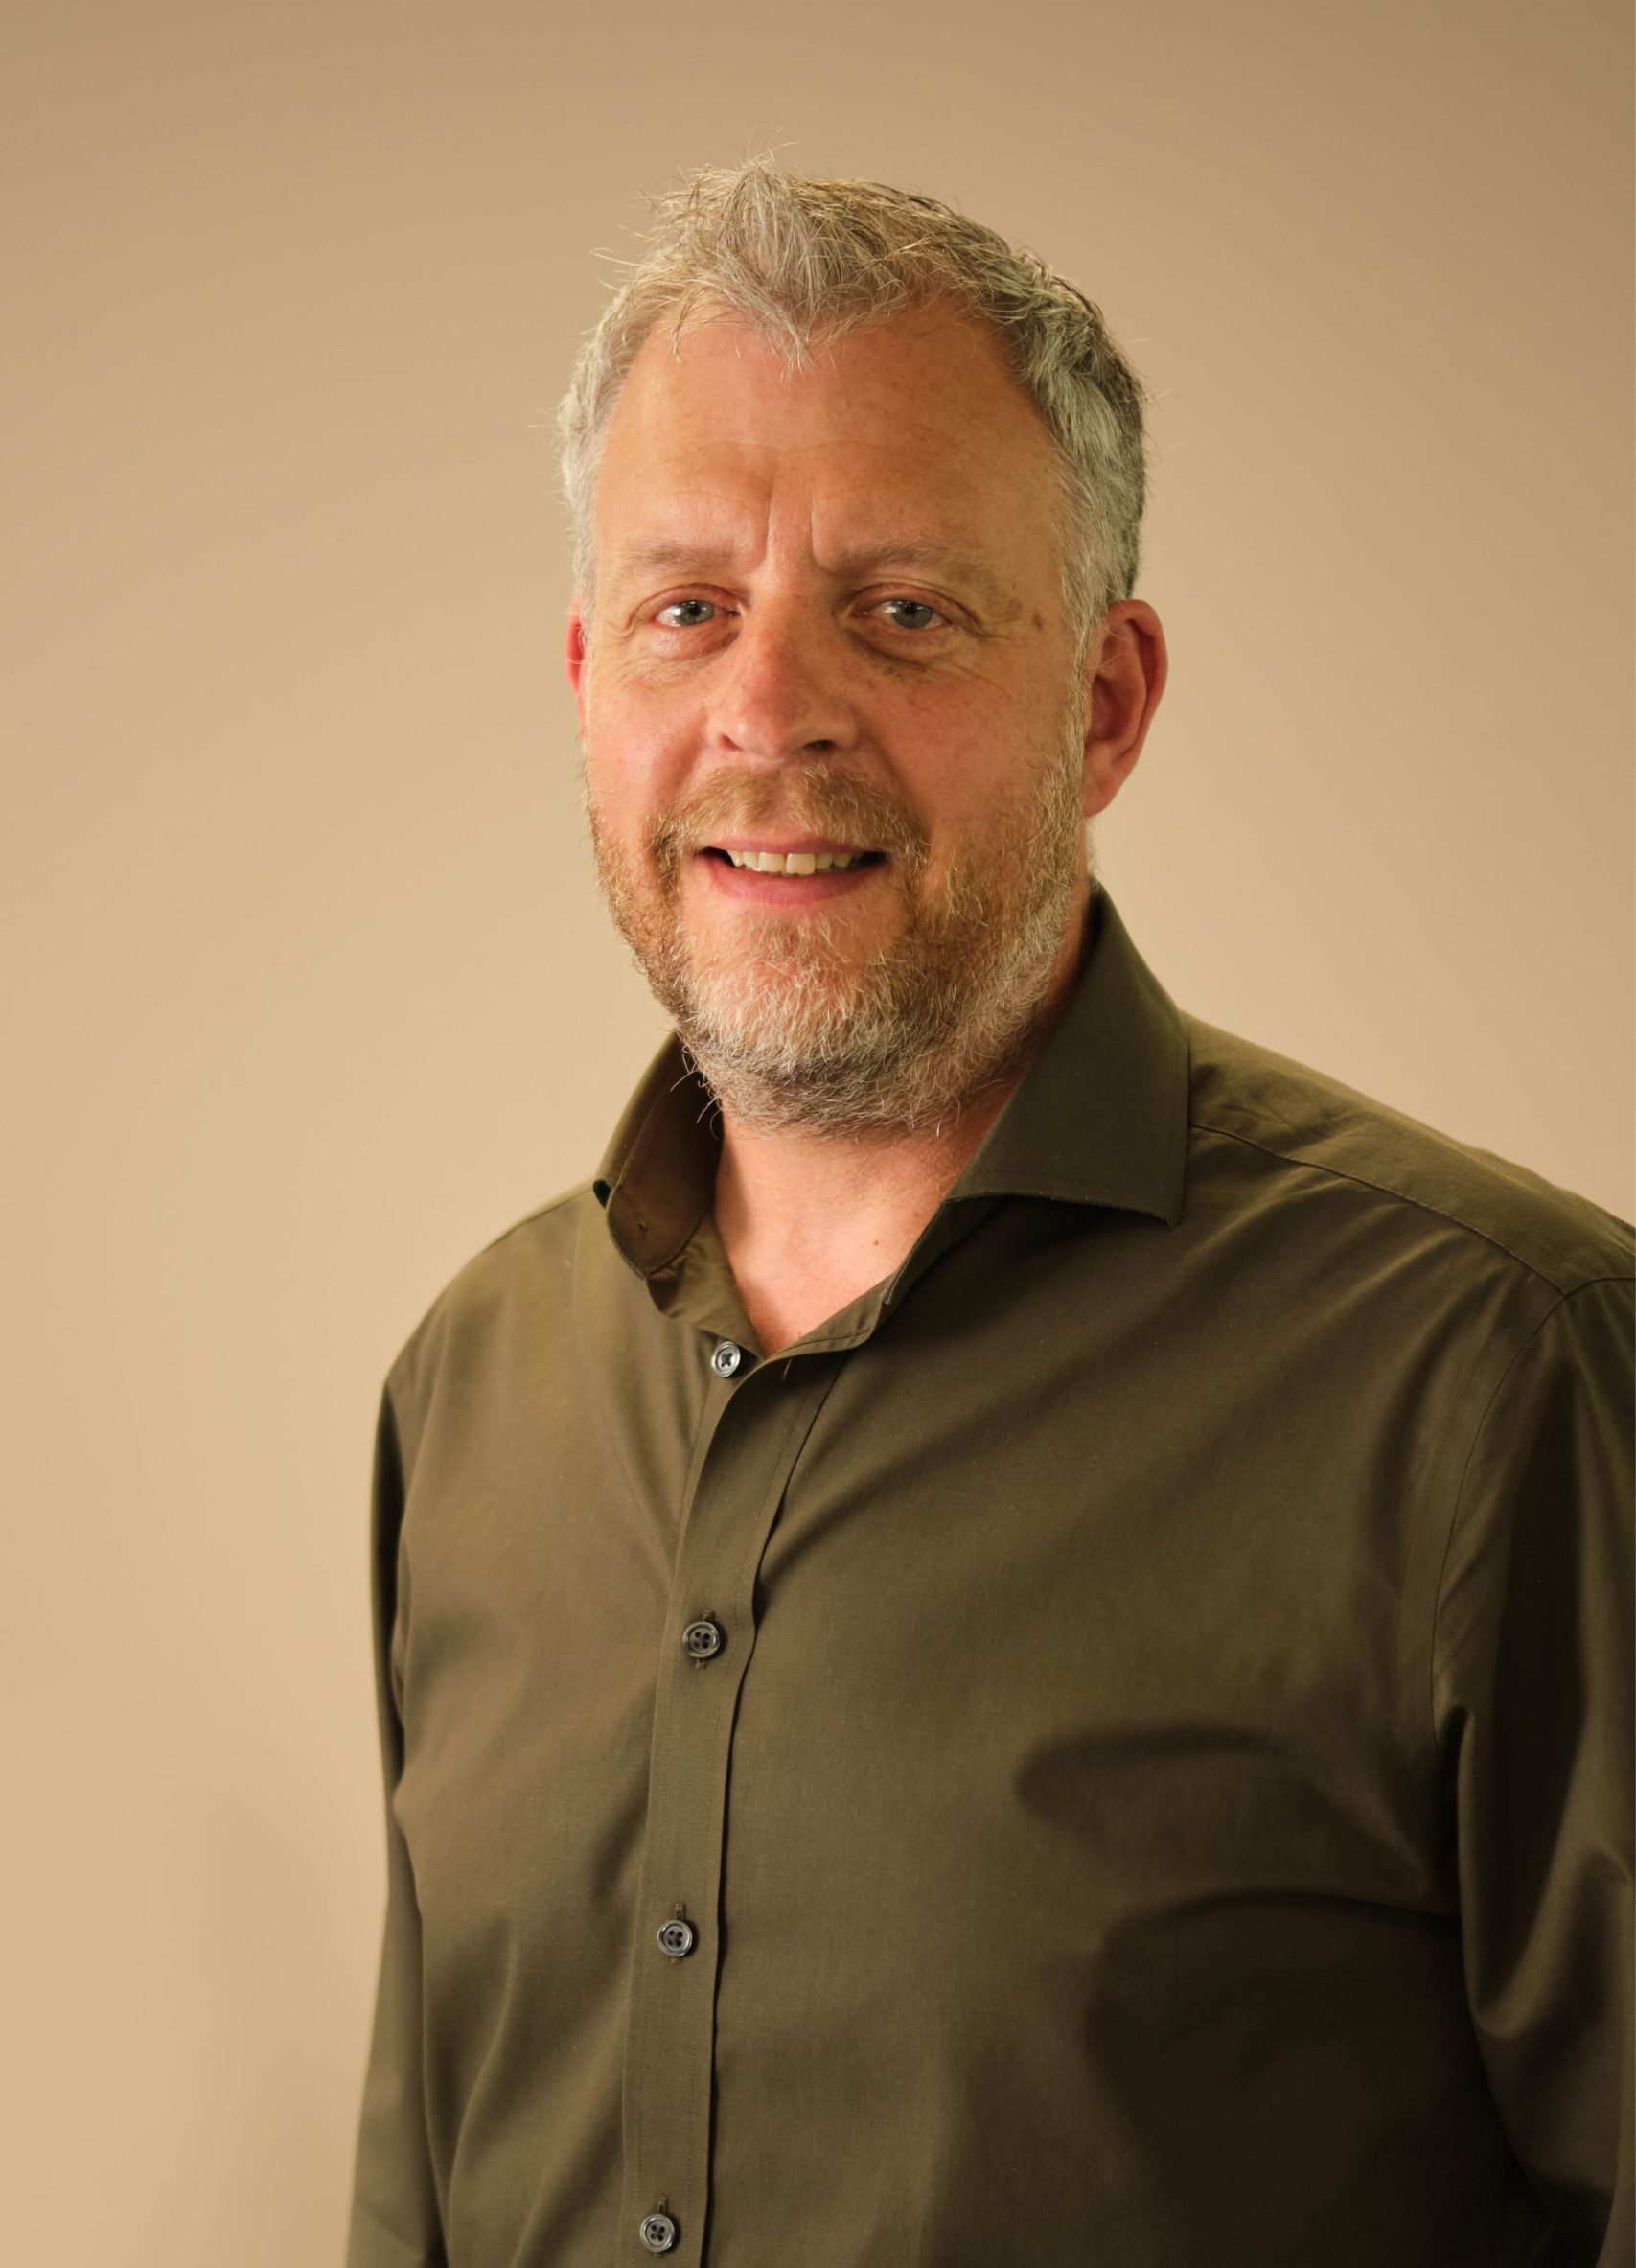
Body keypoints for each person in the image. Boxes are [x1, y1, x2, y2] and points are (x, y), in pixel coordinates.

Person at [343, 154, 1634, 2268]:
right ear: (589, 678)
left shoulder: (1500, 1377)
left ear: (1104, 705)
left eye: (903, 610)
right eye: (687, 609)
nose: (769, 708)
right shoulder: (470, 1393)